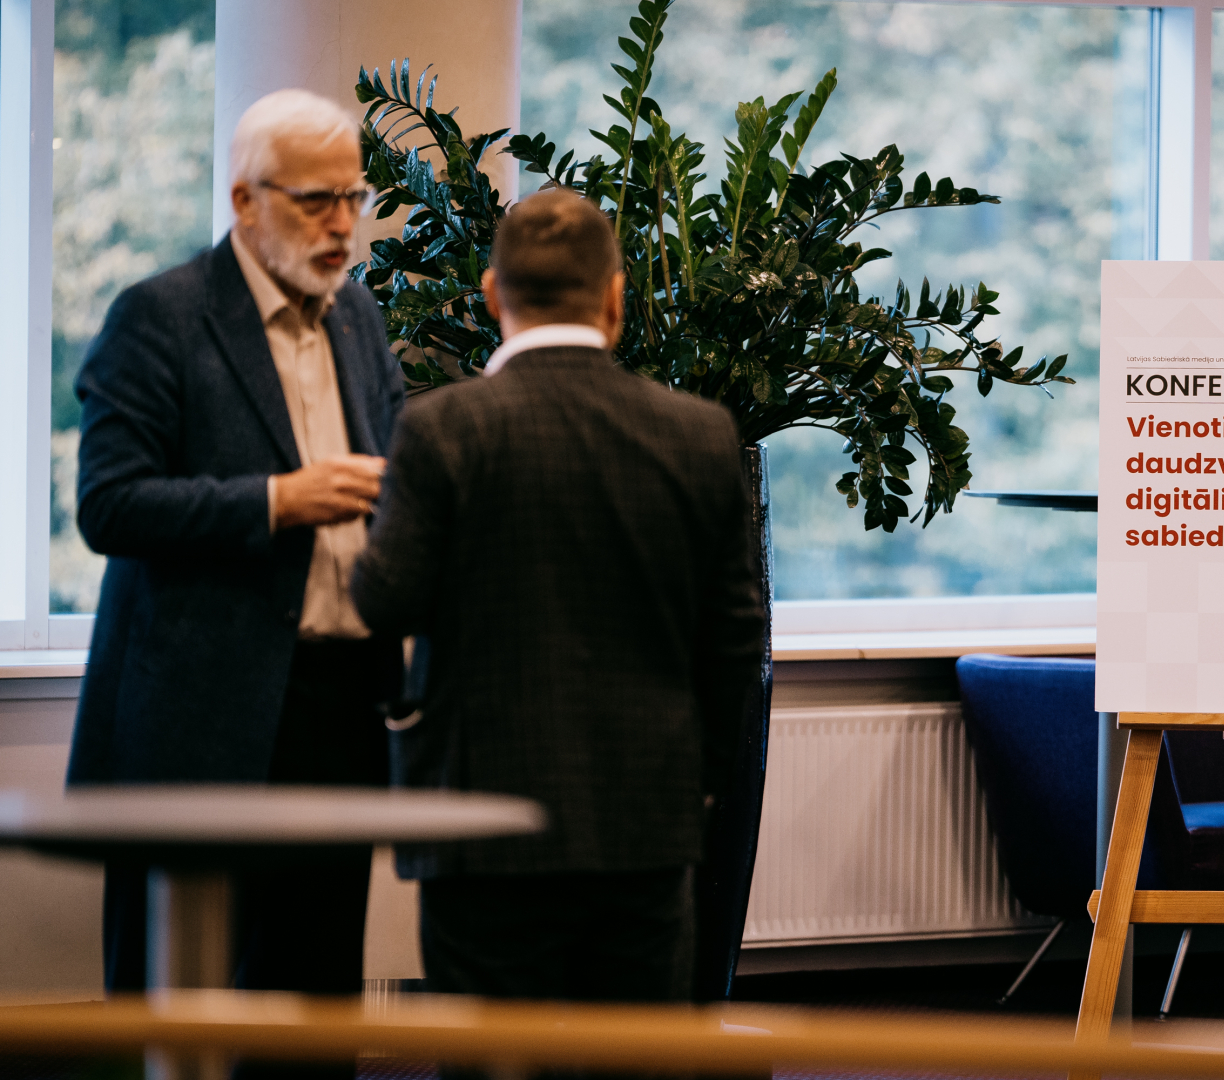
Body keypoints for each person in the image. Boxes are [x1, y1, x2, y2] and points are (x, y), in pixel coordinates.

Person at [351, 189, 765, 1003]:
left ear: (492, 295)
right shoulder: (699, 433)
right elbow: (735, 638)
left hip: (479, 823)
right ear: (615, 297)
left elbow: (383, 601)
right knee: (633, 1056)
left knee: (495, 1055)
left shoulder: (441, 429)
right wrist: (699, 780)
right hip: (645, 821)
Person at [68, 88, 403, 1006]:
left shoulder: (357, 316)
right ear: (246, 200)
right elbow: (108, 505)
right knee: (175, 999)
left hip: (339, 701)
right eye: (316, 200)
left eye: (354, 198)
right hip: (202, 713)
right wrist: (277, 502)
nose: (343, 225)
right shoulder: (160, 316)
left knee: (317, 998)